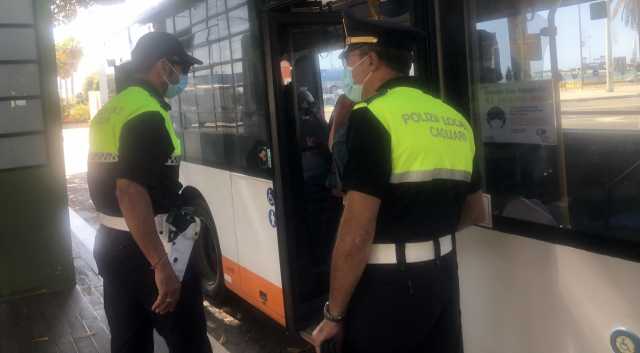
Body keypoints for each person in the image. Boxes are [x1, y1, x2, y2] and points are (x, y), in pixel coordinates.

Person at [311, 9, 486, 353]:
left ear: (371, 61)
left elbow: (357, 233)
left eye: (350, 60)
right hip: (443, 279)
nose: (349, 71)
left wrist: (334, 314)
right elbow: (475, 211)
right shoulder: (454, 119)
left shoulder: (371, 117)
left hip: (386, 289)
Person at [88, 32, 212, 353]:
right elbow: (129, 191)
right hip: (149, 245)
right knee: (189, 340)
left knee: (129, 341)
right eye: (182, 67)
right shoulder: (148, 114)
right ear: (163, 67)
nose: (184, 76)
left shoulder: (112, 109)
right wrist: (160, 265)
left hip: (111, 244)